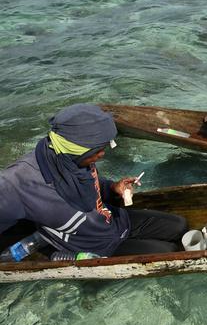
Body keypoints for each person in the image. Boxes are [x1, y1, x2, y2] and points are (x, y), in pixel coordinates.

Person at [0, 103, 188, 259]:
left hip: (113, 221)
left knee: (180, 226)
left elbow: (93, 186)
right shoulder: (19, 183)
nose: (102, 154)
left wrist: (113, 188)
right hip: (95, 249)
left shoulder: (74, 158)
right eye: (97, 150)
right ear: (77, 149)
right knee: (169, 253)